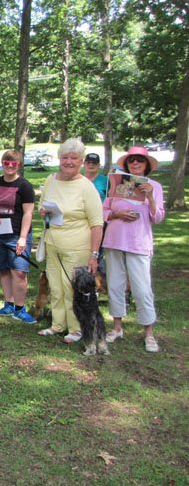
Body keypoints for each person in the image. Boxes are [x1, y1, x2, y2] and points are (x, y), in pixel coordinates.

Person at [37, 138, 103, 344]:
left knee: (71, 287)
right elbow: (42, 207)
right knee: (55, 286)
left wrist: (94, 254)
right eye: (65, 157)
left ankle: (76, 328)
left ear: (81, 161)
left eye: (74, 158)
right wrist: (43, 211)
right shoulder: (50, 180)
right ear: (60, 159)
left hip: (77, 246)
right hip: (52, 243)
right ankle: (57, 323)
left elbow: (97, 224)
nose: (69, 162)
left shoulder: (86, 187)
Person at [102, 146, 164, 352]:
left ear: (146, 165)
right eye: (131, 160)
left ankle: (148, 333)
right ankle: (117, 327)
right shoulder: (118, 184)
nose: (135, 163)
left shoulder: (154, 186)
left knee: (142, 288)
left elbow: (158, 217)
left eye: (140, 160)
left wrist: (152, 198)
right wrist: (117, 215)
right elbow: (103, 211)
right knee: (114, 286)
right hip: (114, 240)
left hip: (138, 243)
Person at [0, 149, 36, 323]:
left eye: (13, 163)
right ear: (2, 164)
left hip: (16, 233)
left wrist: (22, 238)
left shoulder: (24, 186)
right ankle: (8, 304)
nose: (9, 166)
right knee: (4, 270)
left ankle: (20, 309)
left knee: (19, 271)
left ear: (19, 165)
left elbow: (28, 213)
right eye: (6, 163)